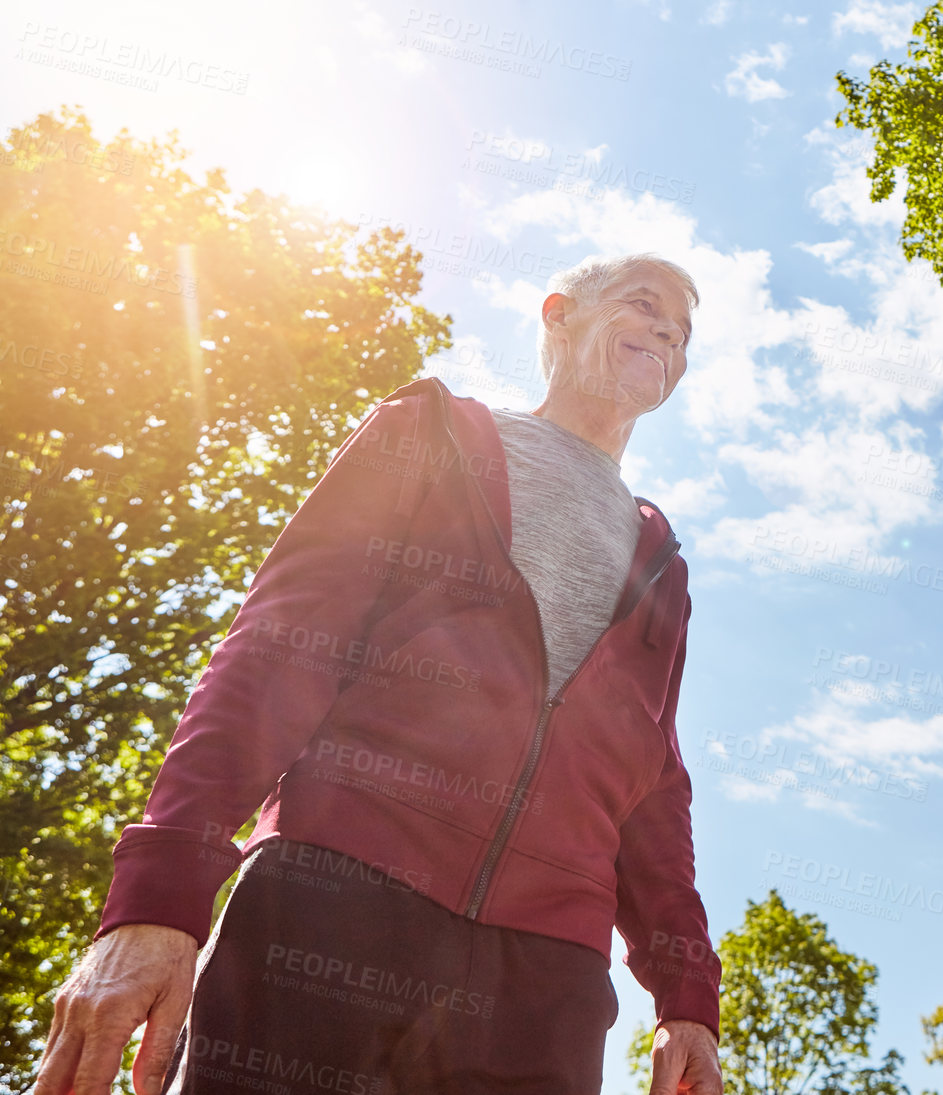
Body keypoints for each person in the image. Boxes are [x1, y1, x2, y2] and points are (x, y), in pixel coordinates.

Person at [34, 254, 724, 1095]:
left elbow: (656, 789)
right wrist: (158, 895)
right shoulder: (432, 434)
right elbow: (280, 643)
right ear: (559, 315)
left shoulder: (665, 565)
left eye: (681, 332)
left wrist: (688, 998)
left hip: (548, 983)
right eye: (644, 304)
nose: (666, 332)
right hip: (331, 902)